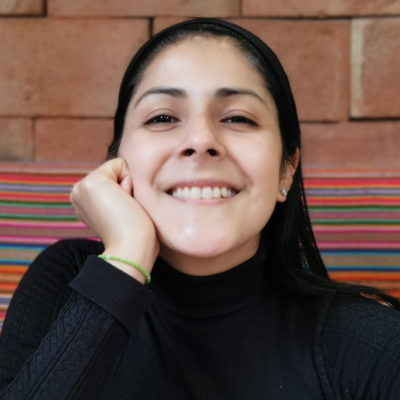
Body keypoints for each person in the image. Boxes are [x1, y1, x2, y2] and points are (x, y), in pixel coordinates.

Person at [0, 18, 399, 399]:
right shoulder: (67, 282)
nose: (201, 140)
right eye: (162, 117)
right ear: (117, 162)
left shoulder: (371, 342)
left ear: (286, 170)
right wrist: (124, 260)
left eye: (238, 118)